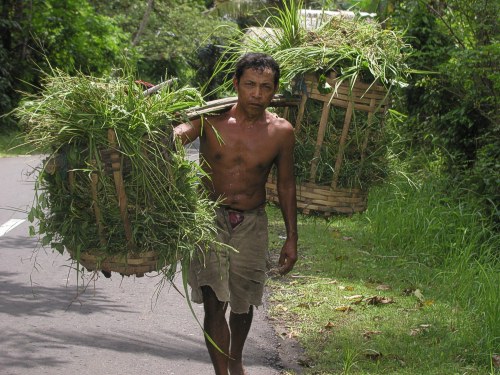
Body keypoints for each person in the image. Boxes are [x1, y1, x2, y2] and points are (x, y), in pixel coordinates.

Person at [174, 52, 298, 375]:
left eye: (265, 87)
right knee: (215, 300)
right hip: (208, 218)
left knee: (243, 304)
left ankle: (235, 357)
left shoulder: (282, 132)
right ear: (236, 85)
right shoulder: (210, 120)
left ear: (275, 91)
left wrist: (291, 239)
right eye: (250, 85)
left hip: (252, 222)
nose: (257, 94)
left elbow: (286, 186)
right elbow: (174, 139)